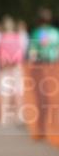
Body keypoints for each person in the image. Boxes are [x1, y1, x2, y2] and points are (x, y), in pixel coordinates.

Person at [27, 8, 59, 139]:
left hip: (41, 68)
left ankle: (43, 126)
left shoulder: (38, 33)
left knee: (41, 98)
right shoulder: (56, 33)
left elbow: (33, 53)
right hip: (55, 67)